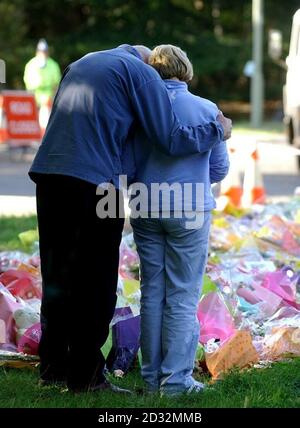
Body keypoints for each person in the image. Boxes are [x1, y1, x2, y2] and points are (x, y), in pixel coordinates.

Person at [28, 43, 232, 393]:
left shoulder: (81, 62)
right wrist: (217, 130)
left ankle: (53, 366)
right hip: (95, 182)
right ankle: (86, 376)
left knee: (58, 274)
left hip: (49, 173)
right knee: (96, 279)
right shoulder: (140, 73)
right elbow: (169, 136)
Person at [128, 44, 230, 395]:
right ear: (185, 70)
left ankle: (151, 376)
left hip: (144, 204)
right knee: (183, 294)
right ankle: (176, 381)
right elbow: (219, 168)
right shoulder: (206, 109)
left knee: (152, 290)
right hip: (189, 208)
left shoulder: (139, 111)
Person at [24, 39, 61, 129]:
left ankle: (43, 135)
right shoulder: (30, 64)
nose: (43, 53)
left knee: (44, 117)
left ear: (47, 52)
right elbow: (28, 83)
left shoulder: (53, 65)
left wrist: (53, 99)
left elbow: (57, 84)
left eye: (44, 51)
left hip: (48, 99)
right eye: (41, 51)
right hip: (33, 97)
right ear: (37, 52)